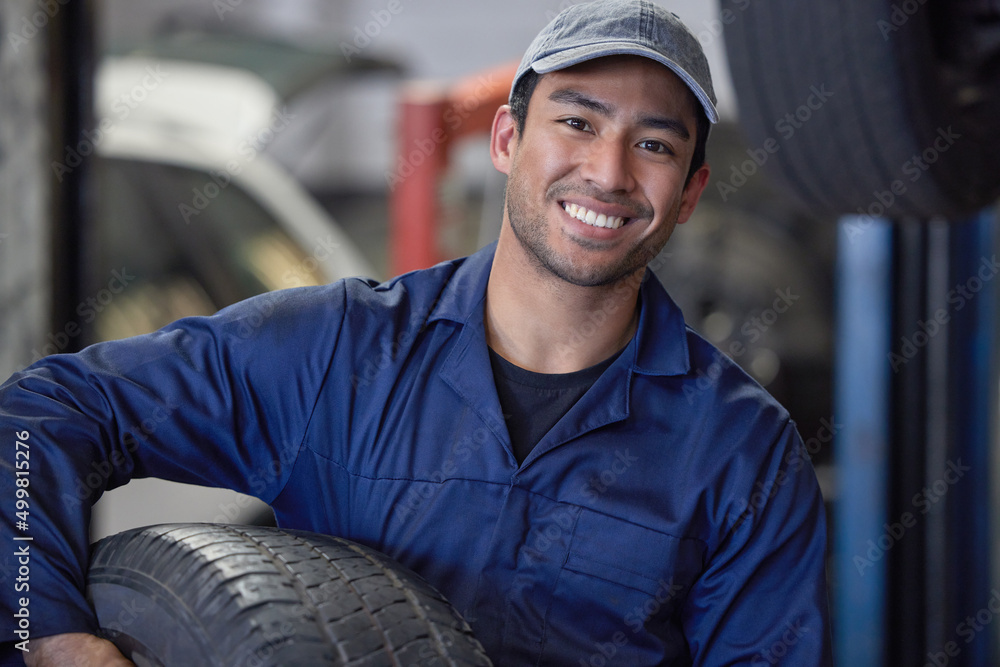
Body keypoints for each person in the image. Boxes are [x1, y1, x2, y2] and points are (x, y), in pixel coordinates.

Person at [1, 0, 832, 664]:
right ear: (508, 141)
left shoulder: (740, 453)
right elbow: (36, 420)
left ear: (689, 194)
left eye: (653, 144)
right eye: (576, 122)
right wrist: (53, 631)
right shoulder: (335, 354)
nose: (608, 173)